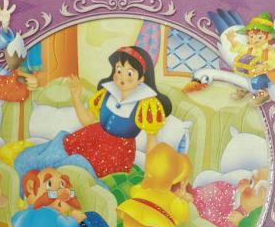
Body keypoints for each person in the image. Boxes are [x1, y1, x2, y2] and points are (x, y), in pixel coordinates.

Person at [14, 45, 172, 180]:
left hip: (115, 154)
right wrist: (76, 97)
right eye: (118, 70)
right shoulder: (107, 93)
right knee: (45, 154)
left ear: (141, 79)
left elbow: (152, 143)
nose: (121, 77)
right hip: (91, 137)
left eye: (129, 73)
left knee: (70, 168)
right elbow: (89, 121)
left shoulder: (146, 104)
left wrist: (151, 173)